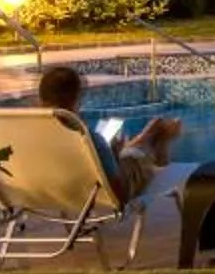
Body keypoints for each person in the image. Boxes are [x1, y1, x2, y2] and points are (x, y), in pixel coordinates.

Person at [38, 64, 181, 201]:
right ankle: (160, 138)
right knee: (143, 156)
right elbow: (119, 193)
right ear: (76, 100)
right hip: (100, 195)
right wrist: (115, 156)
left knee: (125, 152)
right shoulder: (86, 140)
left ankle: (142, 139)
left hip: (53, 194)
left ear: (41, 98)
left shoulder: (33, 136)